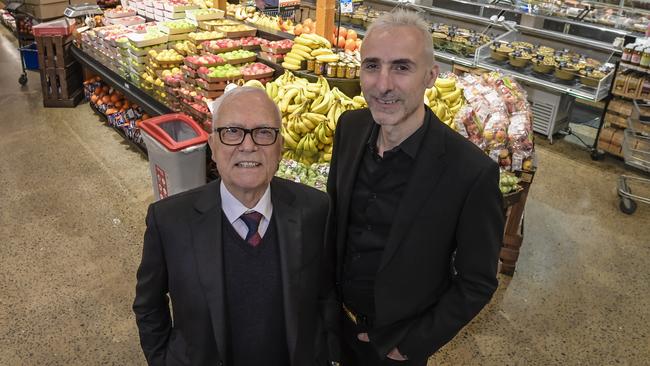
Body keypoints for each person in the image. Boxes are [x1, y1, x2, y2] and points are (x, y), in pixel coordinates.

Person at [326, 9, 505, 366]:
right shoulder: (350, 127)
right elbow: (335, 224)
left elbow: (477, 281)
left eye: (402, 68)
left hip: (394, 346)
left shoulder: (470, 172)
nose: (383, 85)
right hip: (334, 327)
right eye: (372, 65)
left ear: (431, 76)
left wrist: (410, 344)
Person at [133, 87, 330, 366]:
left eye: (263, 132)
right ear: (213, 146)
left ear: (280, 147)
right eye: (232, 132)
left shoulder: (315, 209)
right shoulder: (169, 221)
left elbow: (325, 296)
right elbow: (148, 306)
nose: (248, 146)